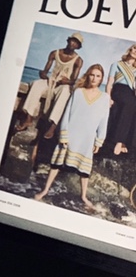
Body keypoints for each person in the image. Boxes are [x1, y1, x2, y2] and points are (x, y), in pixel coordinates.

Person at [34, 64, 109, 212]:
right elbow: (66, 114)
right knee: (56, 164)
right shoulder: (78, 92)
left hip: (87, 138)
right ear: (88, 76)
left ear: (101, 79)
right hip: (71, 135)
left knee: (84, 171)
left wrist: (99, 141)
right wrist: (63, 134)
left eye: (98, 76)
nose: (94, 78)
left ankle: (83, 196)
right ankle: (45, 190)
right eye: (92, 75)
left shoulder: (105, 98)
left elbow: (103, 120)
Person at [17, 33, 84, 139]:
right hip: (51, 81)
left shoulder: (78, 60)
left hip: (63, 84)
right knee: (37, 84)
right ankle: (29, 118)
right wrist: (43, 74)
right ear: (68, 40)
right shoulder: (55, 53)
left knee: (65, 92)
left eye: (76, 43)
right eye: (72, 40)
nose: (73, 44)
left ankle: (53, 126)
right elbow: (45, 71)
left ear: (78, 46)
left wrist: (66, 81)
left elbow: (73, 81)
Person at [105, 43, 136, 157]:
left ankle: (122, 142)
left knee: (132, 105)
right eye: (134, 48)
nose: (135, 51)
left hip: (130, 93)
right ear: (130, 49)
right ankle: (118, 141)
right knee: (128, 104)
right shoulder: (117, 64)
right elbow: (109, 83)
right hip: (117, 91)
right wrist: (108, 97)